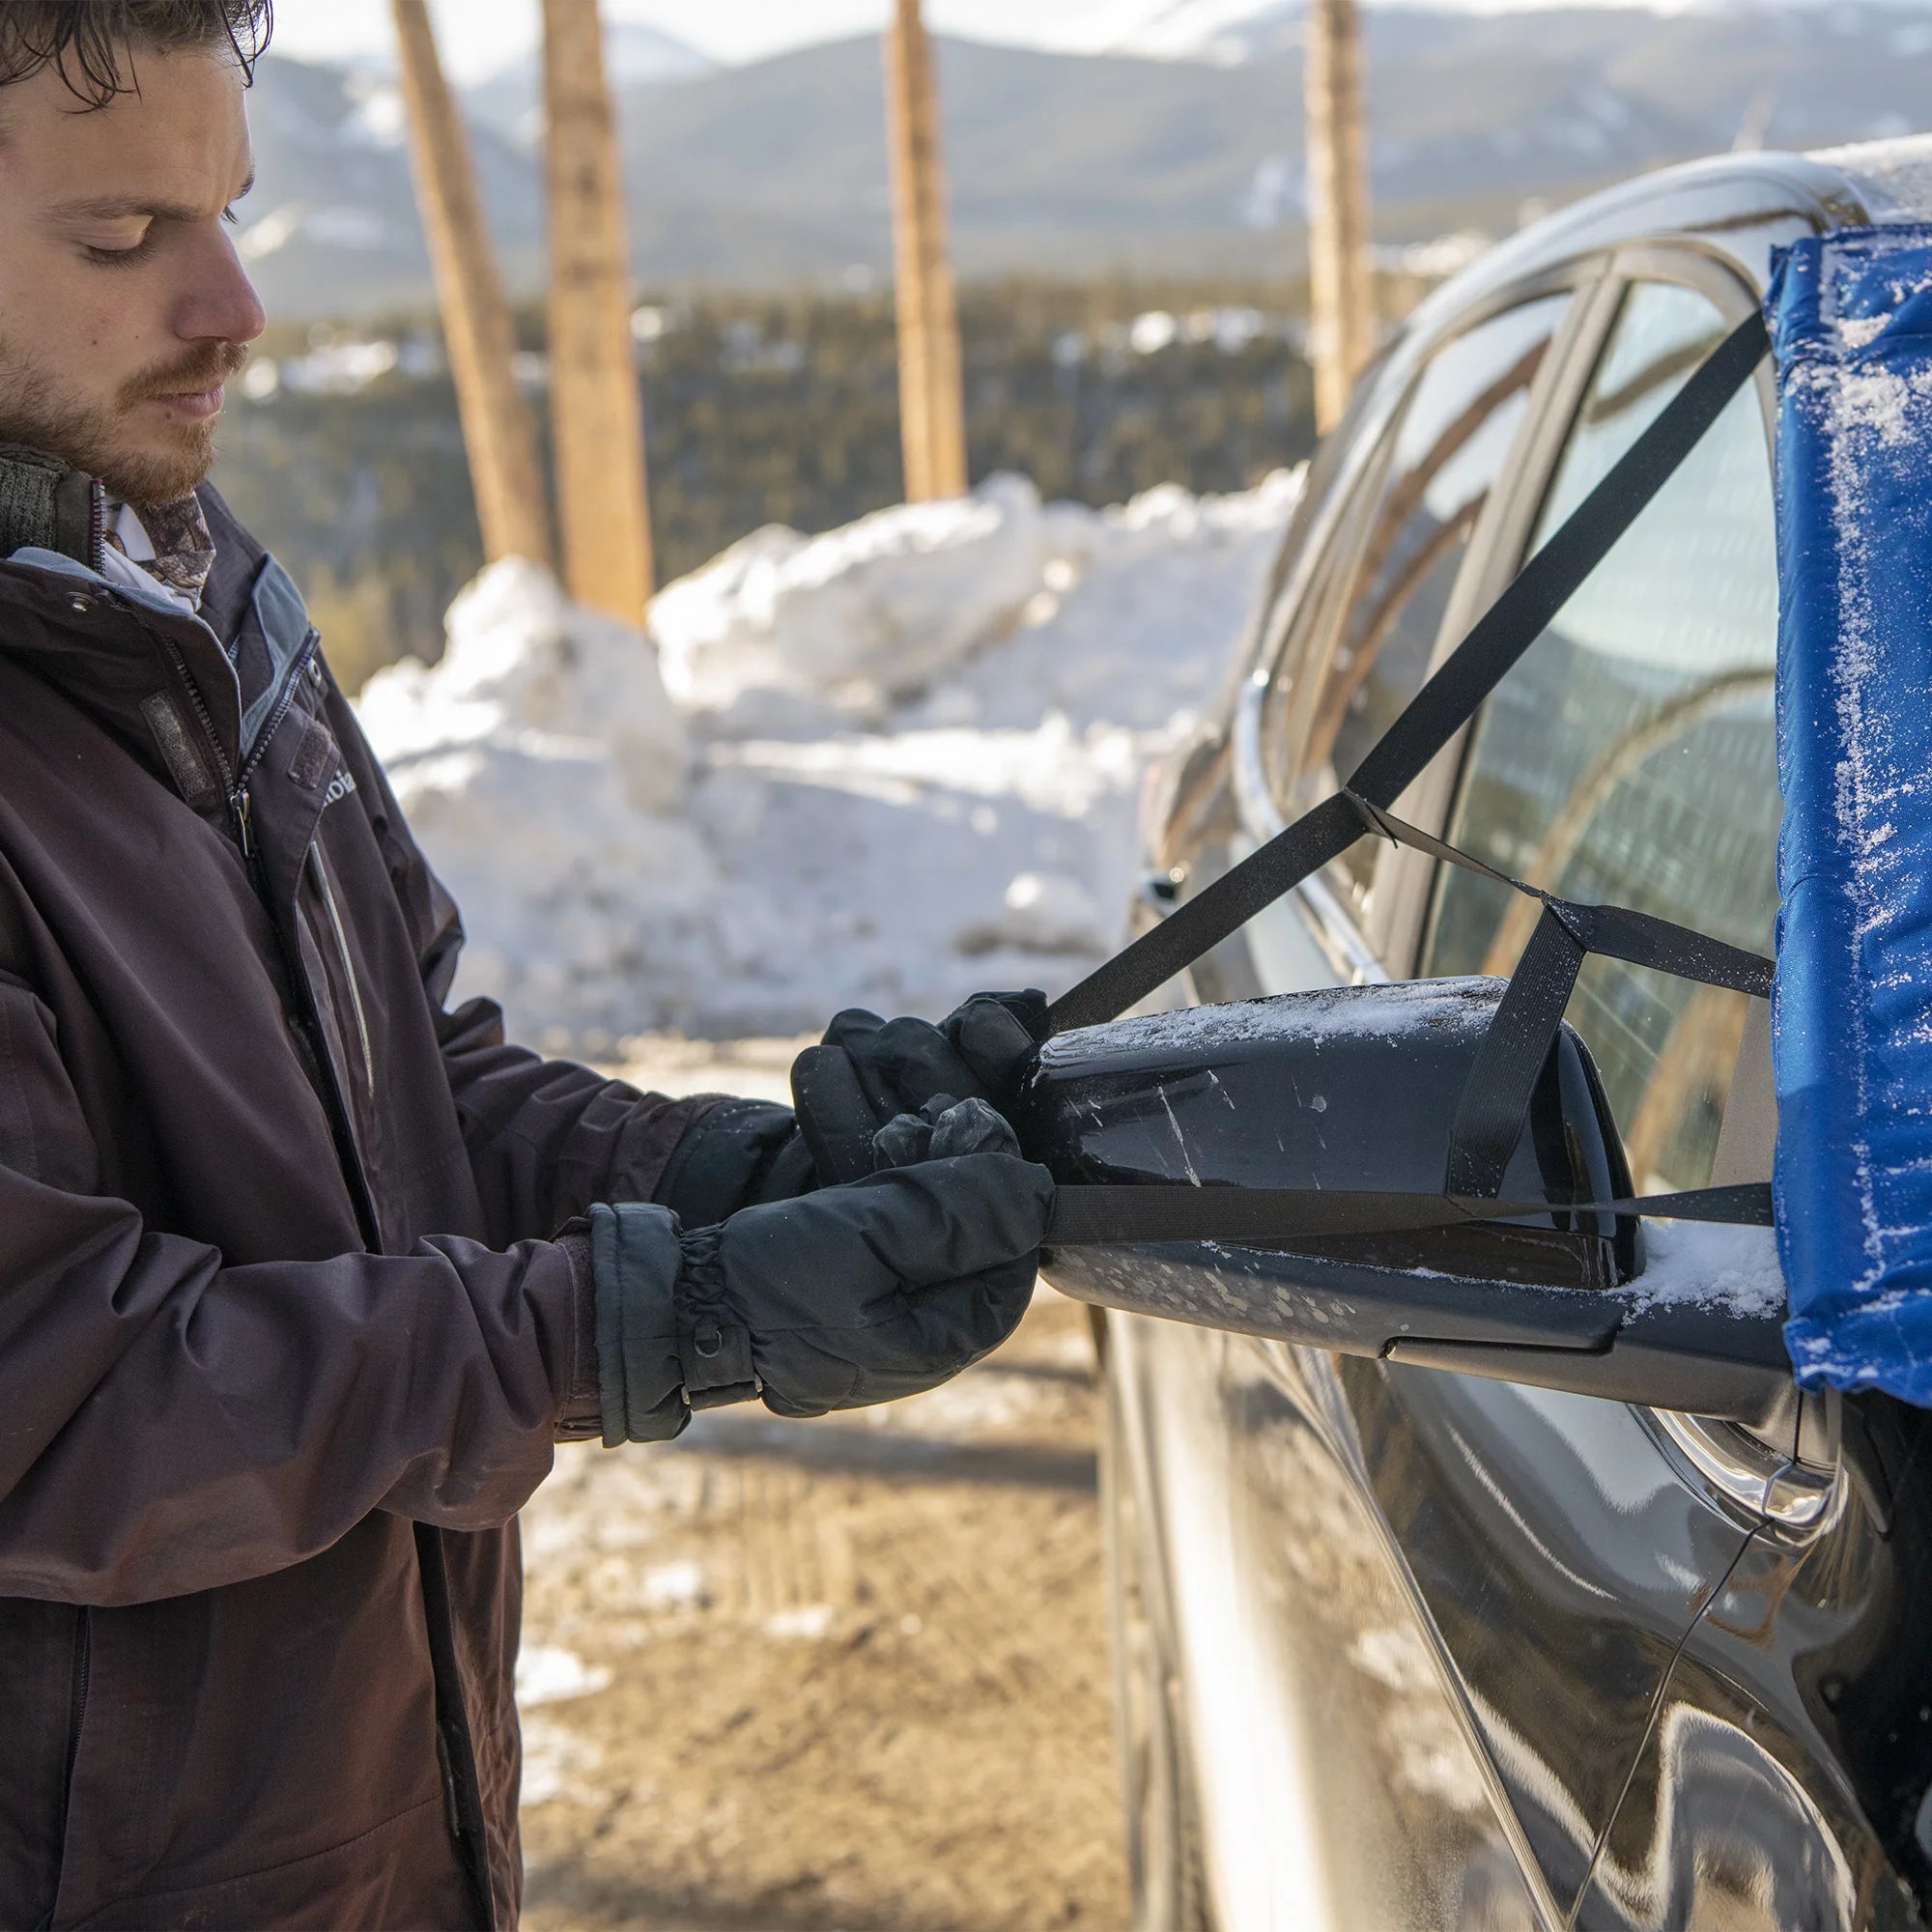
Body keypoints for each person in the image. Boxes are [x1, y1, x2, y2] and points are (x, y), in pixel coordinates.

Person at [0, 5, 1055, 1925]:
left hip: (375, 1838)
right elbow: (57, 1395)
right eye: (121, 237)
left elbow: (416, 1086)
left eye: (228, 211)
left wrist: (725, 1179)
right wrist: (644, 1322)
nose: (233, 305)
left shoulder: (186, 595)